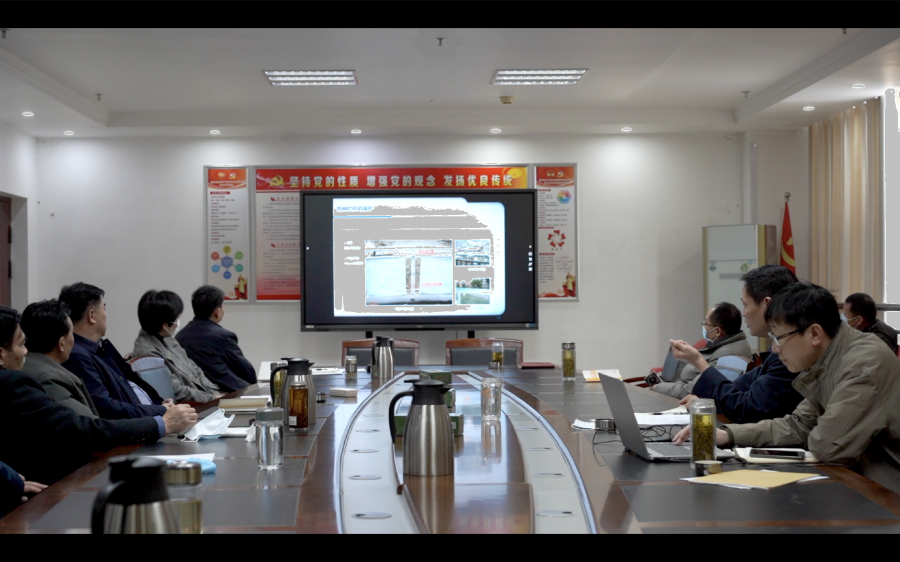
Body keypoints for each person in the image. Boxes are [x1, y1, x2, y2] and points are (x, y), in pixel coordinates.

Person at [675, 283, 900, 495]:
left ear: (814, 334)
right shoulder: (829, 356)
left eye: (778, 337)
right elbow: (798, 424)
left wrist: (813, 429)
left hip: (885, 495)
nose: (775, 349)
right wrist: (728, 435)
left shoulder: (863, 365)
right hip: (855, 483)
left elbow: (828, 447)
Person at [0, 305, 198, 486]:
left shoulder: (43, 369)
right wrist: (162, 423)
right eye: (21, 344)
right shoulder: (26, 380)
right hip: (61, 482)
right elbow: (83, 429)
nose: (25, 351)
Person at [669, 265, 802, 423]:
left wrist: (699, 362)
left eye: (745, 304)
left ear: (767, 305)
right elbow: (739, 389)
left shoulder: (793, 354)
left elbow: (746, 410)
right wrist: (706, 400)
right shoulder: (778, 352)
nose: (743, 313)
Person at [59, 282, 168, 419]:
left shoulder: (100, 349)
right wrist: (160, 410)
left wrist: (160, 406)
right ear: (92, 316)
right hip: (138, 425)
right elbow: (107, 408)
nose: (106, 315)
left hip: (149, 415)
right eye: (104, 309)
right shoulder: (77, 356)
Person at [132, 290, 223, 403]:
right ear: (165, 325)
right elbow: (177, 391)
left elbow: (195, 369)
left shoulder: (167, 338)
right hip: (189, 406)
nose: (178, 321)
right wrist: (211, 398)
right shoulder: (148, 352)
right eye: (176, 318)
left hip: (204, 398)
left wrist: (214, 393)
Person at [652, 302, 751, 399]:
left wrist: (658, 387)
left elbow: (693, 390)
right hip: (677, 393)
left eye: (706, 323)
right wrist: (687, 356)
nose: (703, 326)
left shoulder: (728, 355)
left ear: (717, 331)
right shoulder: (722, 345)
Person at [20, 299, 99, 418]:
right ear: (62, 343)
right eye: (72, 333)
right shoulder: (49, 379)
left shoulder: (24, 366)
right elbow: (87, 424)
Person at [176, 285, 256, 392]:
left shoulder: (180, 336)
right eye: (223, 306)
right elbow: (246, 370)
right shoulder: (223, 336)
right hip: (229, 392)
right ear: (217, 312)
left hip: (195, 394)